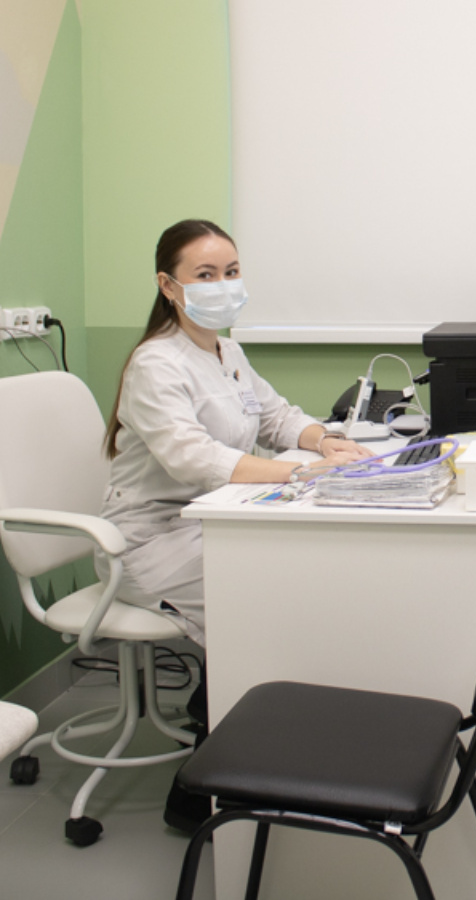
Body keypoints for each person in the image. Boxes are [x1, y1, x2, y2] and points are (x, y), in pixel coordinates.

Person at [99, 218, 372, 646]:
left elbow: (276, 418)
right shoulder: (156, 364)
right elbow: (194, 458)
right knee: (269, 595)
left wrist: (325, 441)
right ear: (168, 286)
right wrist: (301, 473)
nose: (223, 286)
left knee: (305, 568)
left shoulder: (228, 351)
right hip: (152, 540)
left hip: (216, 518)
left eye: (231, 272)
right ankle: (242, 684)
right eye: (206, 275)